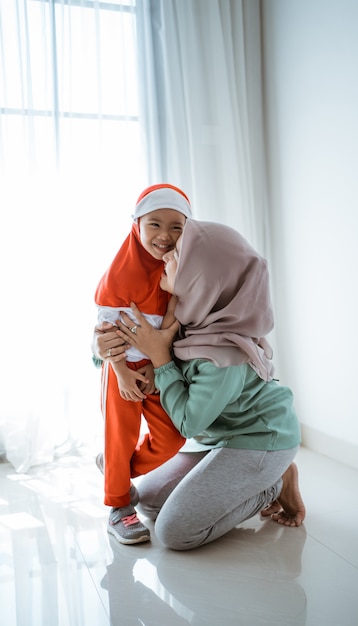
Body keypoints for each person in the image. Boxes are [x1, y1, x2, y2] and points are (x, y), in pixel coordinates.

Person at [109, 218, 306, 551]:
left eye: (178, 256)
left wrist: (160, 359)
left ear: (204, 281)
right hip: (220, 437)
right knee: (148, 503)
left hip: (260, 439)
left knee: (176, 533)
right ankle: (255, 477)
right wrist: (110, 357)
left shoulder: (223, 354)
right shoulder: (192, 322)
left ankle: (275, 481)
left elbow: (187, 423)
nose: (166, 256)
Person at [93, 183, 191, 544]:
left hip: (156, 367)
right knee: (120, 437)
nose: (164, 235)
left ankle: (114, 472)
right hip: (120, 366)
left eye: (176, 227)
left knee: (171, 437)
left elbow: (170, 322)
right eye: (154, 224)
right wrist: (121, 373)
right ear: (136, 225)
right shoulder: (121, 272)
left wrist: (154, 364)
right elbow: (105, 330)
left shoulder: (178, 271)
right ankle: (119, 505)